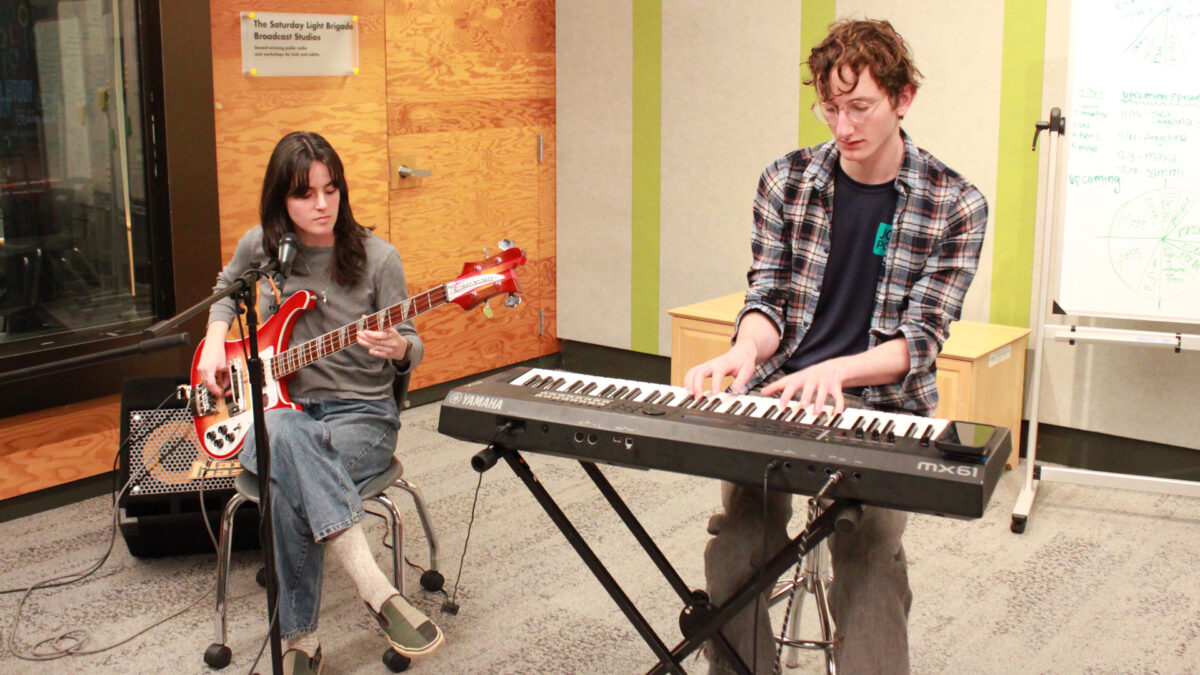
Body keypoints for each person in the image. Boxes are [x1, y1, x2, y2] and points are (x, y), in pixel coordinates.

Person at [684, 19, 988, 675]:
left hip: (884, 407)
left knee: (871, 554)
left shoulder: (955, 204)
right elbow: (768, 297)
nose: (843, 126)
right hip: (780, 393)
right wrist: (744, 349)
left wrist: (835, 372)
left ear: (902, 98)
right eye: (830, 107)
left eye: (860, 106)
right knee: (735, 550)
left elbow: (920, 340)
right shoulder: (785, 181)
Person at [196, 131, 443, 674]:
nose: (322, 204)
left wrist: (400, 347)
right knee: (285, 435)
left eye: (331, 190)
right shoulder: (261, 248)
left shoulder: (379, 258)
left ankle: (299, 642)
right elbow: (225, 287)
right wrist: (216, 340)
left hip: (362, 416)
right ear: (280, 200)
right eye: (305, 194)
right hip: (279, 412)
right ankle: (375, 589)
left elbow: (412, 343)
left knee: (288, 481)